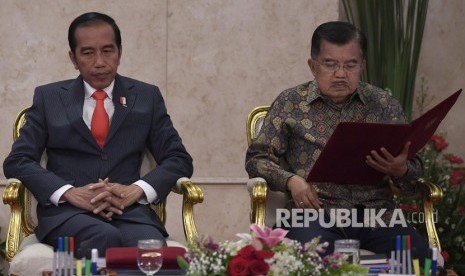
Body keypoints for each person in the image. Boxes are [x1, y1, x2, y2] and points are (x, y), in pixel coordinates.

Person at [3, 12, 193, 256]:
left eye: (108, 50)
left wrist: (135, 190)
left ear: (120, 52)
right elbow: (18, 161)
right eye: (88, 53)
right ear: (73, 58)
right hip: (68, 215)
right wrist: (70, 193)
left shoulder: (146, 97)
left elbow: (179, 159)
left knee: (153, 253)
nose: (100, 62)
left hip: (130, 213)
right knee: (103, 236)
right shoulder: (49, 98)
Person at [245, 21, 431, 260]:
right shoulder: (290, 103)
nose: (341, 74)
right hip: (314, 214)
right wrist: (291, 181)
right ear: (313, 66)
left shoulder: (384, 105)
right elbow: (256, 159)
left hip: (376, 216)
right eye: (330, 64)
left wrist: (401, 169)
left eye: (350, 65)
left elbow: (413, 172)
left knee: (420, 257)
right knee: (317, 256)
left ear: (362, 65)